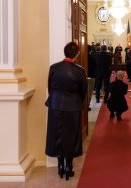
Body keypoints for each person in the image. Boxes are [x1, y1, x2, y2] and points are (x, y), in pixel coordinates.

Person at [45, 42, 87, 181]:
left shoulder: (54, 68)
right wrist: (77, 102)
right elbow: (83, 91)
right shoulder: (80, 70)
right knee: (71, 136)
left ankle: (60, 166)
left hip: (55, 105)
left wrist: (56, 99)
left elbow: (50, 87)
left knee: (57, 134)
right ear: (77, 54)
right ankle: (69, 166)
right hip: (72, 106)